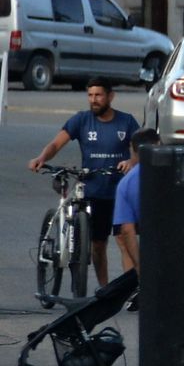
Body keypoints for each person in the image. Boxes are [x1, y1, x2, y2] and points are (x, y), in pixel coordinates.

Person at [29, 77, 139, 287]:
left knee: (125, 241)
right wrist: (42, 158)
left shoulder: (126, 121)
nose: (93, 100)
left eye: (98, 95)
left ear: (110, 96)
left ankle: (130, 291)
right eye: (90, 95)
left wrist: (130, 161)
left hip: (120, 192)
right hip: (93, 191)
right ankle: (105, 289)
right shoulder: (81, 120)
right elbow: (55, 144)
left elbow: (139, 149)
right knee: (98, 244)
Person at [113, 128, 160, 274]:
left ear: (133, 150)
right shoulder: (175, 171)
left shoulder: (126, 183)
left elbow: (126, 230)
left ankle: (132, 285)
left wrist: (139, 269)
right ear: (158, 145)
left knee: (122, 241)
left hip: (151, 246)